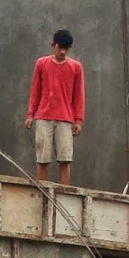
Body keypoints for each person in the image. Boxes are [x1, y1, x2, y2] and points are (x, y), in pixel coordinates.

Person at [25, 29, 85, 185]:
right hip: (44, 116)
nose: (63, 52)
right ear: (53, 45)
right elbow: (35, 91)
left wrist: (78, 120)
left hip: (65, 119)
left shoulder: (76, 67)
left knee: (65, 159)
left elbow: (79, 95)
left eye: (66, 48)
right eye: (60, 48)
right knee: (42, 159)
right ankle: (43, 194)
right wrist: (30, 115)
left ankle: (64, 195)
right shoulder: (42, 63)